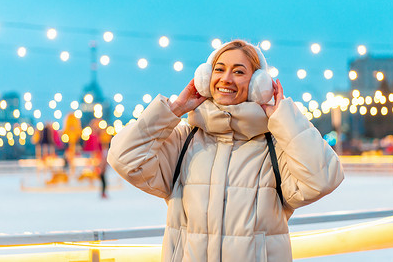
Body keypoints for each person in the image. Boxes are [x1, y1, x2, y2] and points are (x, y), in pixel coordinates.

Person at [108, 40, 344, 262]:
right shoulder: (184, 140)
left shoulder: (276, 147)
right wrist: (174, 109)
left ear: (258, 84)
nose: (226, 79)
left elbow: (323, 179)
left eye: (239, 72)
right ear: (205, 78)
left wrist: (285, 119)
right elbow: (124, 157)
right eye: (219, 69)